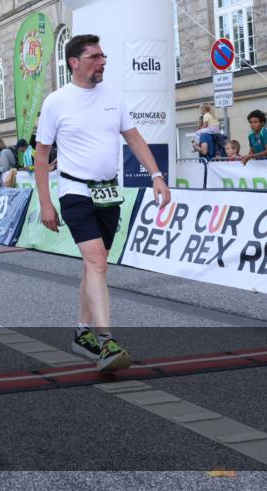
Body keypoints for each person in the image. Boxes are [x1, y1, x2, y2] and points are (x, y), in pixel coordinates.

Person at [35, 34, 170, 372]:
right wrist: (45, 203)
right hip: (75, 192)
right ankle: (106, 342)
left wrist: (156, 175)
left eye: (103, 55)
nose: (102, 61)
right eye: (94, 56)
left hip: (109, 192)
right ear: (74, 63)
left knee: (94, 263)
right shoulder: (56, 102)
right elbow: (41, 158)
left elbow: (134, 138)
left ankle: (82, 333)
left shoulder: (113, 96)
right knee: (96, 262)